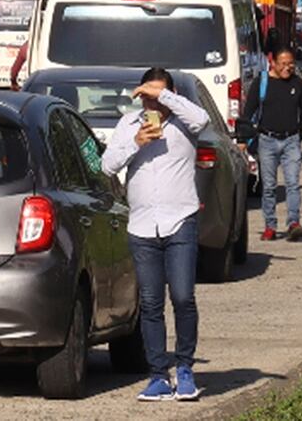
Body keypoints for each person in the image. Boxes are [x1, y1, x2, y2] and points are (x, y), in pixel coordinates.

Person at [101, 68, 209, 402]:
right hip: (142, 226)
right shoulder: (129, 125)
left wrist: (163, 96)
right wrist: (136, 143)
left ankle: (185, 369)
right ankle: (158, 375)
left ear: (171, 94)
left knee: (182, 297)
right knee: (149, 303)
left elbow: (203, 118)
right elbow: (107, 165)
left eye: (158, 95)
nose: (152, 102)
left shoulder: (184, 123)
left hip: (180, 221)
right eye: (146, 95)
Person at [239, 46, 302, 241]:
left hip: (291, 140)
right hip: (267, 140)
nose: (288, 68)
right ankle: (270, 226)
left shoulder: (298, 84)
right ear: (273, 62)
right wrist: (241, 139)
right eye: (283, 64)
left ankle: (293, 223)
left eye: (291, 63)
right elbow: (248, 112)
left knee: (292, 183)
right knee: (269, 186)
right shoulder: (262, 82)